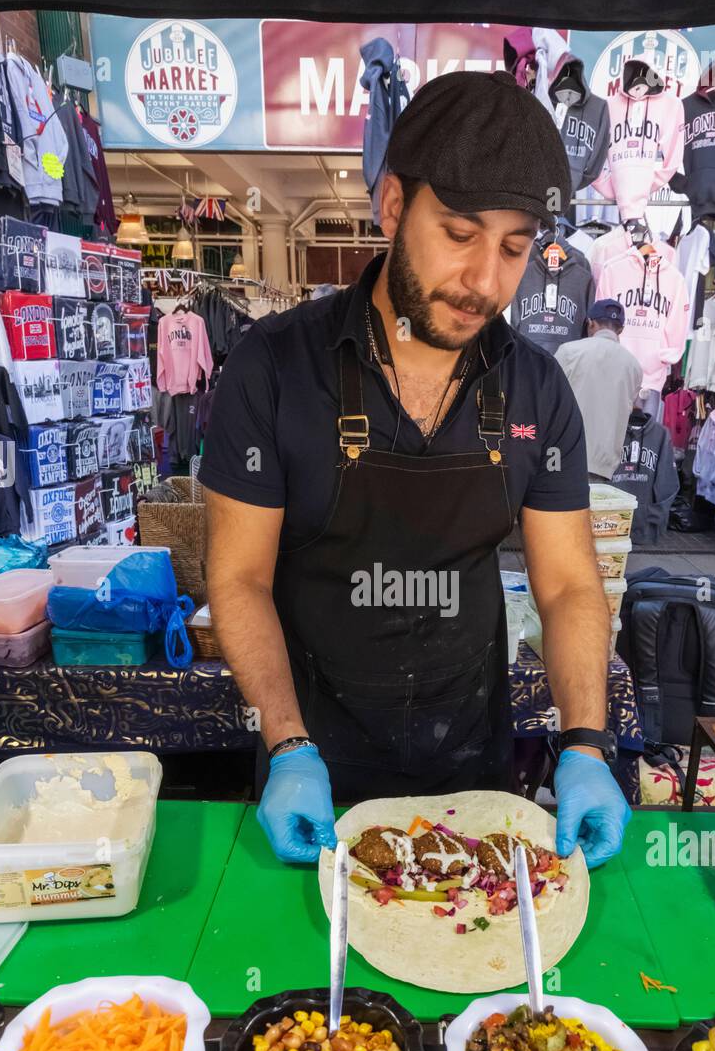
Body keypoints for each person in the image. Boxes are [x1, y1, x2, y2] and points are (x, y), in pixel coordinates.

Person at [199, 70, 630, 870]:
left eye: (514, 247)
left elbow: (569, 584)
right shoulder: (275, 366)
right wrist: (287, 746)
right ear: (393, 206)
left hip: (471, 771)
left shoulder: (537, 385)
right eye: (460, 234)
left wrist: (586, 746)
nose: (485, 282)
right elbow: (237, 577)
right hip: (311, 764)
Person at [554, 299, 643, 481]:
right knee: (594, 509)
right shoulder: (634, 366)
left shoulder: (568, 352)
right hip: (604, 464)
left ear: (590, 323)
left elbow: (547, 402)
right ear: (621, 330)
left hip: (561, 457)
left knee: (558, 509)